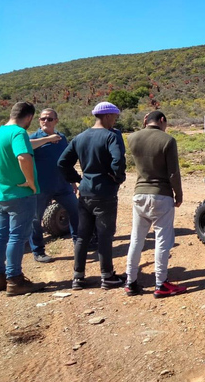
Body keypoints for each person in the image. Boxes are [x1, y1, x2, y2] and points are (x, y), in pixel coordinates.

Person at [58, 101, 126, 290]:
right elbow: (118, 160)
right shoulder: (110, 136)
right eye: (114, 116)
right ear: (106, 116)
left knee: (82, 236)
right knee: (105, 235)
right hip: (105, 193)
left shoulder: (80, 137)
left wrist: (77, 178)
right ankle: (107, 276)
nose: (115, 120)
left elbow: (62, 162)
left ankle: (78, 277)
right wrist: (117, 178)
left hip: (85, 192)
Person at [124, 111, 187, 298]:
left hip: (139, 194)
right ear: (161, 120)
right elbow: (173, 173)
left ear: (146, 120)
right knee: (162, 240)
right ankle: (161, 283)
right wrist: (179, 194)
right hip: (161, 195)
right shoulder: (168, 140)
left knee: (136, 239)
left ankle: (130, 281)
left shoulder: (132, 138)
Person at [0, 101, 46, 296]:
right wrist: (30, 182)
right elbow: (23, 156)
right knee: (17, 237)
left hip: (1, 194)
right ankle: (15, 280)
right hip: (20, 195)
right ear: (29, 117)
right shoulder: (19, 133)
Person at [28, 108, 80, 262]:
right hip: (41, 187)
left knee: (76, 211)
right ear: (39, 120)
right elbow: (26, 147)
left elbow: (66, 162)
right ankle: (38, 252)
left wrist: (72, 181)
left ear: (56, 121)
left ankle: (79, 244)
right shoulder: (33, 138)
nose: (46, 121)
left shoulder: (62, 138)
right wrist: (47, 139)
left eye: (50, 119)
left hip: (62, 185)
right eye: (43, 118)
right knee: (36, 219)